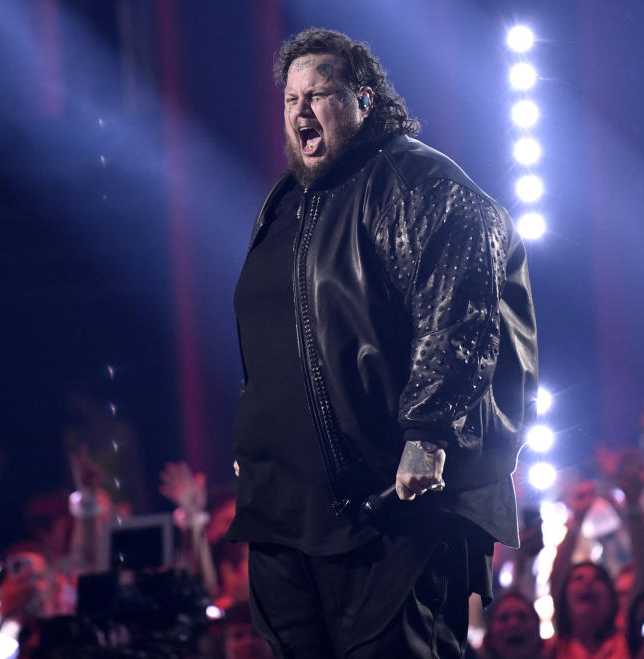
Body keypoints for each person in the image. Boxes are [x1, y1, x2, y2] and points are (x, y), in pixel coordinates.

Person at [226, 27, 537, 658]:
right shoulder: (284, 204)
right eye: (290, 99)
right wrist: (255, 439)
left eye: (319, 93)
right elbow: (275, 336)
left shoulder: (416, 180)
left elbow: (461, 307)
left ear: (365, 100)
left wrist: (428, 432)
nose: (301, 111)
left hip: (386, 508)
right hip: (286, 512)